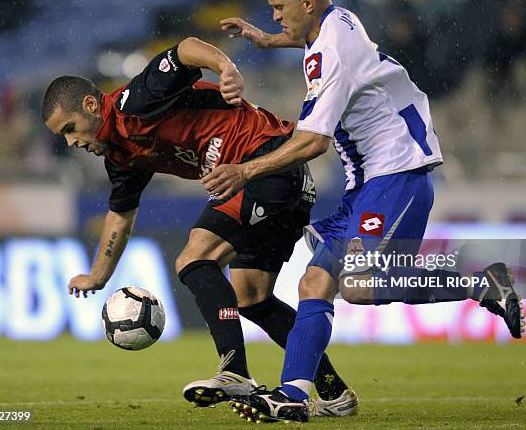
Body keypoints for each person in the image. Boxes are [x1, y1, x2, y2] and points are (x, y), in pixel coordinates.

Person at [208, 0, 525, 423]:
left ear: (307, 1)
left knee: (359, 286)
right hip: (369, 185)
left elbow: (313, 142)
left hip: (397, 176)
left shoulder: (331, 53)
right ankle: (294, 395)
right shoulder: (339, 20)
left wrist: (245, 171)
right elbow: (306, 36)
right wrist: (266, 38)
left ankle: (482, 282)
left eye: (279, 8)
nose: (274, 15)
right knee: (315, 283)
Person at [41, 36, 358, 417]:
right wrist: (97, 275)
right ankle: (334, 393)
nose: (72, 141)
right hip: (278, 180)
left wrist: (227, 68)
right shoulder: (122, 157)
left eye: (70, 128)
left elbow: (186, 48)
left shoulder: (137, 101)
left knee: (194, 257)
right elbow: (121, 215)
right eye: (64, 136)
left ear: (91, 105)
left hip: (264, 163)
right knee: (252, 298)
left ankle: (235, 371)